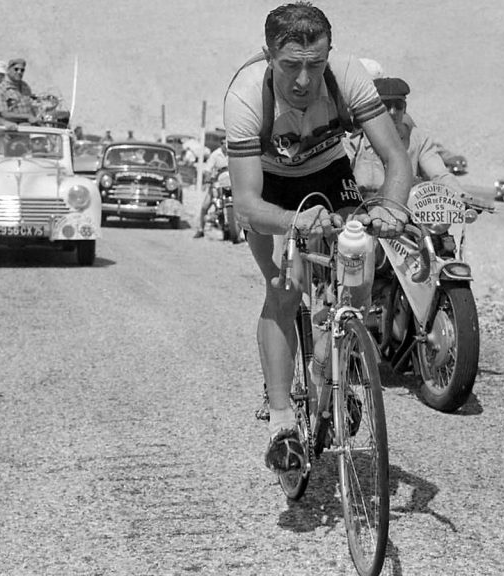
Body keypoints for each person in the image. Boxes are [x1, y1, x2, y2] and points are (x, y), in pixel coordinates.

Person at [224, 2, 412, 472]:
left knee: (354, 264)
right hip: (269, 184)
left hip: (328, 170)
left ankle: (332, 359)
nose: (305, 80)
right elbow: (247, 204)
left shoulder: (346, 75)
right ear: (269, 57)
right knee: (283, 287)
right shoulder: (245, 96)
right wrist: (293, 222)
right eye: (291, 66)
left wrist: (391, 208)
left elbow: (396, 159)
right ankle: (283, 422)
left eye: (316, 64)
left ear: (330, 54)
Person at [345, 77, 464, 194]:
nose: (393, 112)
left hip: (404, 207)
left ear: (405, 108)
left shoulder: (419, 140)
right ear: (374, 108)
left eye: (398, 106)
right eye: (386, 105)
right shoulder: (356, 139)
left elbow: (439, 175)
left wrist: (461, 195)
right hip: (364, 207)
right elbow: (341, 175)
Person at [193, 138, 229, 238]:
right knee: (205, 206)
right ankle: (201, 229)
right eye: (223, 143)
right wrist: (208, 178)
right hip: (217, 183)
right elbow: (208, 169)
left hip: (231, 184)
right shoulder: (215, 155)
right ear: (221, 144)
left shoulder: (233, 154)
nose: (226, 145)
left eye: (227, 143)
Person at [0, 58, 38, 124]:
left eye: (22, 70)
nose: (19, 72)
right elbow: (3, 114)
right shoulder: (0, 88)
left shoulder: (25, 86)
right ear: (8, 70)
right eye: (16, 69)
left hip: (28, 127)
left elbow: (30, 107)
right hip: (10, 129)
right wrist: (27, 117)